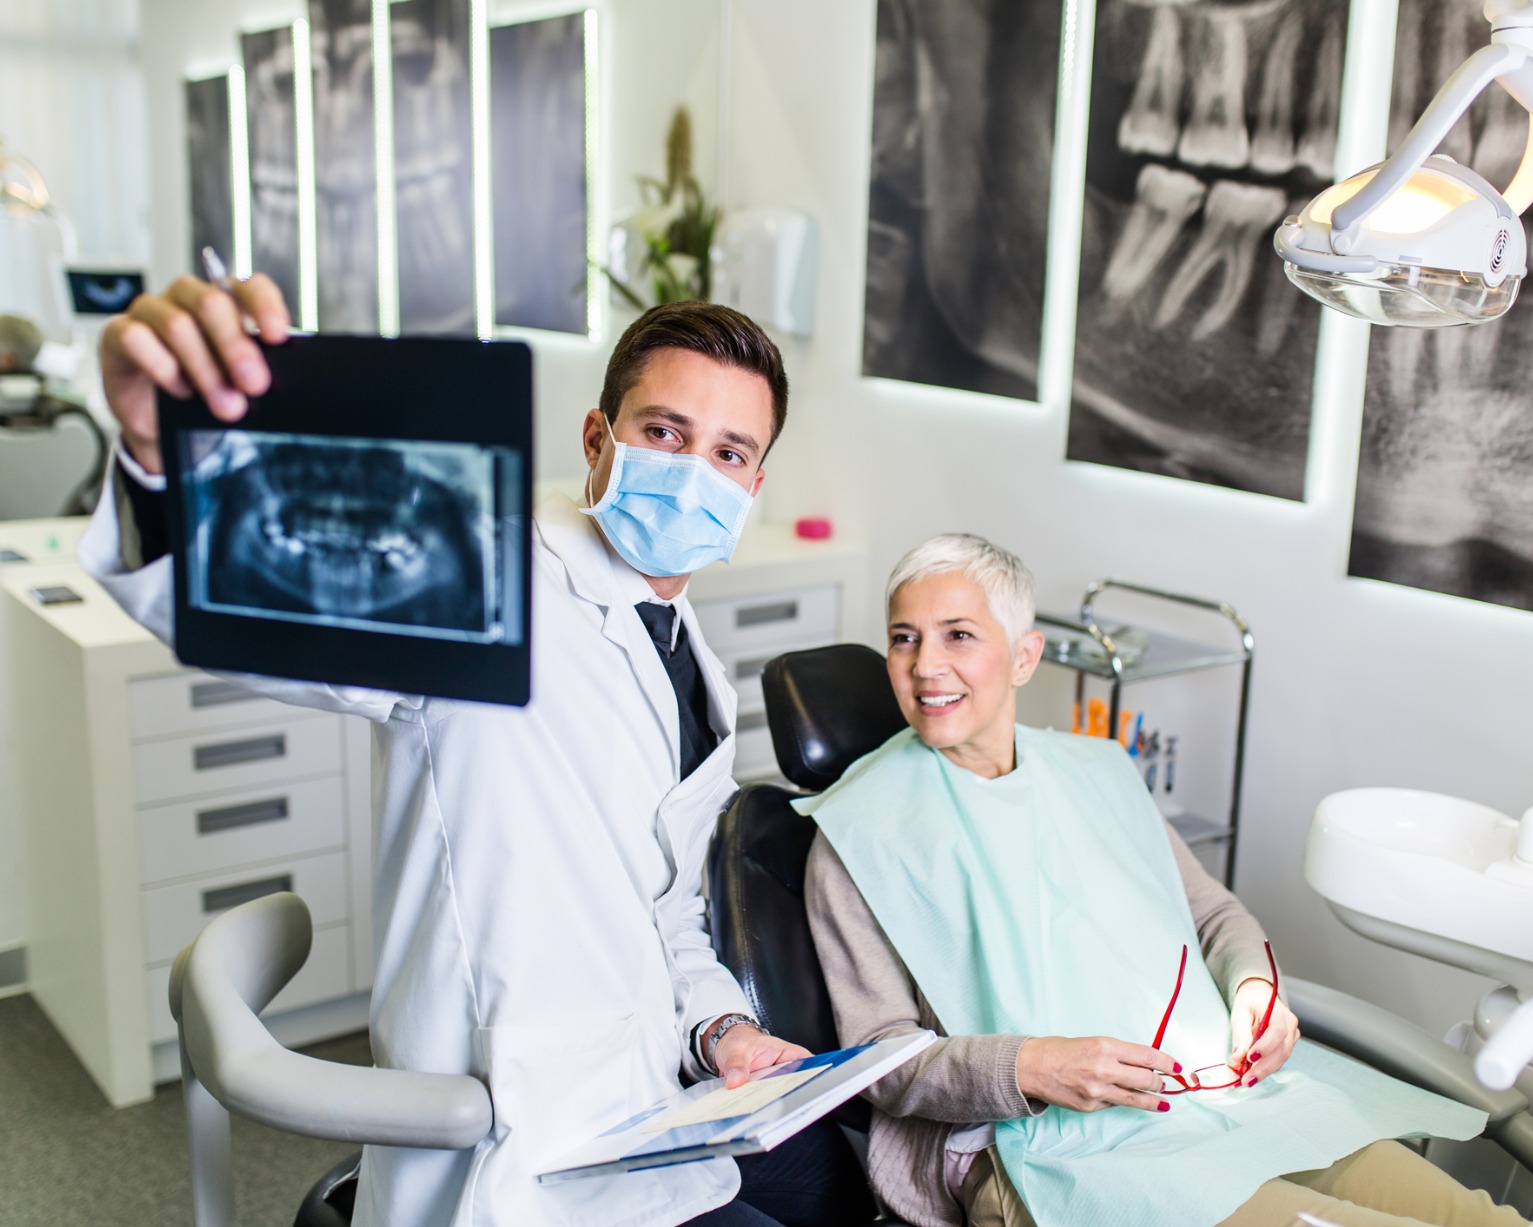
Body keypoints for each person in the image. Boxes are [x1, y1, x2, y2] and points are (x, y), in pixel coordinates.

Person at [82, 272, 873, 1227]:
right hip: (506, 1131)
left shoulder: (691, 660)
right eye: (665, 433)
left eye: (728, 452)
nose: (694, 472)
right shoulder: (490, 578)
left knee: (839, 1190)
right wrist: (152, 454)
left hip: (646, 1106)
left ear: (751, 484)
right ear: (598, 440)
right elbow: (276, 602)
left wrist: (720, 1027)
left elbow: (666, 907)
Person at [800, 532, 1518, 1227]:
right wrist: (1028, 1066)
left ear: (1023, 657)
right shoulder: (857, 835)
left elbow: (1211, 913)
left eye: (957, 634)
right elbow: (882, 1062)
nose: (924, 664)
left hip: (1218, 1103)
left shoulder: (1097, 772)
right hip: (1044, 1152)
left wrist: (1252, 986)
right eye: (902, 637)